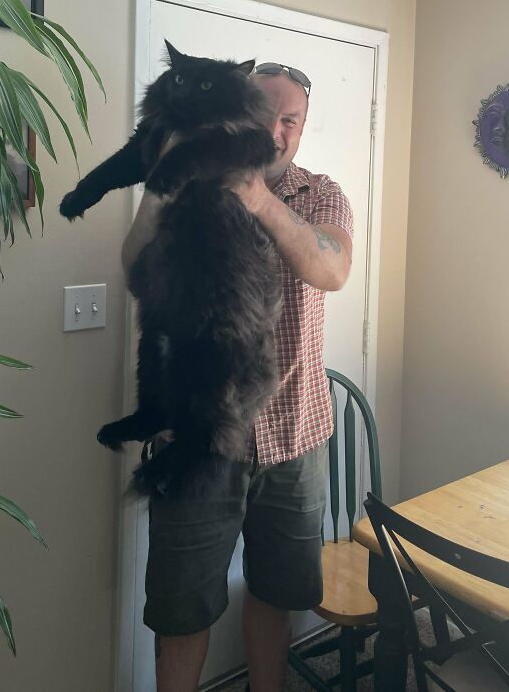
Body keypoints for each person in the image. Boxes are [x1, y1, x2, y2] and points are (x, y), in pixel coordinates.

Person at [122, 62, 354, 692]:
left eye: (291, 121)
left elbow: (330, 271)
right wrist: (171, 179)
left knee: (276, 595)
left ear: (301, 129)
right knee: (181, 612)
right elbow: (135, 268)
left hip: (295, 437)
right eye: (267, 115)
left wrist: (254, 193)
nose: (277, 132)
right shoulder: (183, 175)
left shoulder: (322, 193)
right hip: (197, 436)